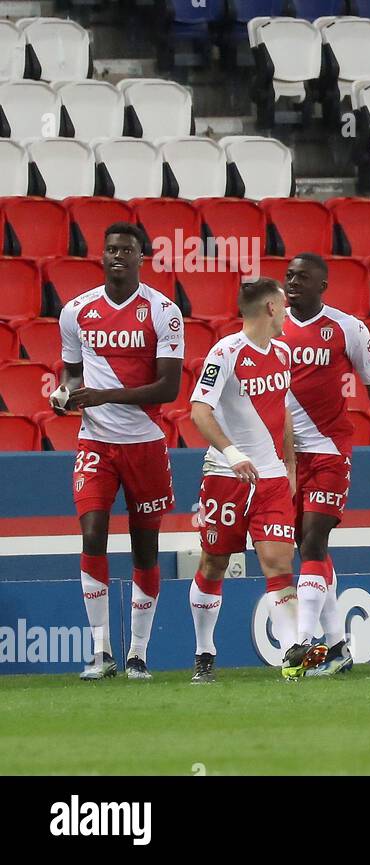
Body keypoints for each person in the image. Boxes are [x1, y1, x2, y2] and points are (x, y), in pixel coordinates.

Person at [53, 222, 184, 681]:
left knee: (145, 551)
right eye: (110, 249)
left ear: (141, 258)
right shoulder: (76, 311)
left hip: (144, 444)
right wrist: (64, 393)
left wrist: (105, 395)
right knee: (92, 532)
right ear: (102, 256)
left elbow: (169, 387)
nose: (117, 256)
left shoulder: (163, 312)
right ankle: (101, 651)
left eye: (126, 250)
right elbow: (71, 374)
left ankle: (138, 655)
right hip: (95, 443)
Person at [280, 253, 370, 676]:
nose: (293, 282)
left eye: (303, 277)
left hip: (330, 451)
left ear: (322, 286)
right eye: (289, 275)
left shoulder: (346, 328)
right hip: (284, 457)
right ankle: (336, 647)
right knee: (306, 546)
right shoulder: (272, 326)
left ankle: (302, 641)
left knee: (313, 540)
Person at [187, 278, 300, 683]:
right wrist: (232, 453)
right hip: (226, 476)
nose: (287, 313)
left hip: (270, 480)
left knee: (278, 561)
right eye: (284, 306)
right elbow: (199, 410)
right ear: (271, 308)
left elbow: (283, 410)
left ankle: (291, 653)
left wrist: (289, 464)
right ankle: (204, 653)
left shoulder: (283, 352)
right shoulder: (226, 352)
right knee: (214, 563)